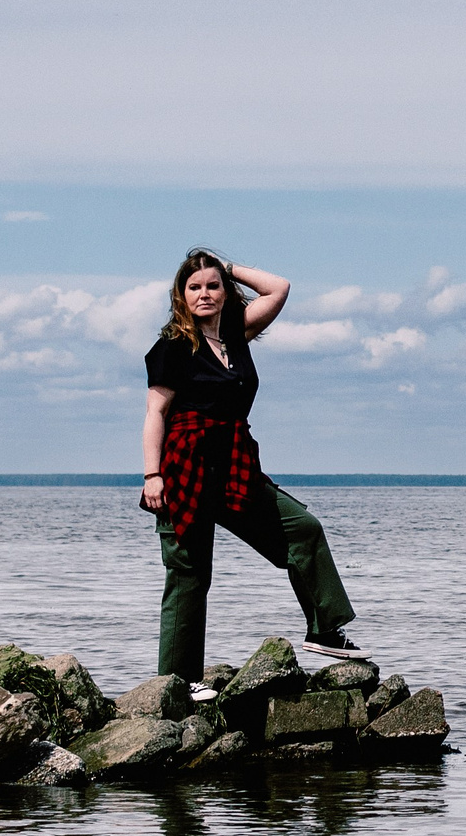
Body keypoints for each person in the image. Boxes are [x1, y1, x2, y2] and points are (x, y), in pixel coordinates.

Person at [140, 248, 358, 696]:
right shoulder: (172, 347)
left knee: (302, 529)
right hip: (184, 469)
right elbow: (155, 413)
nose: (204, 294)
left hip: (235, 466)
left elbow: (279, 288)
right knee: (189, 575)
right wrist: (151, 475)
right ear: (181, 295)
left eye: (213, 285)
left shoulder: (236, 334)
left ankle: (324, 630)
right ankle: (179, 684)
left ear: (225, 291)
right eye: (194, 287)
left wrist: (227, 266)